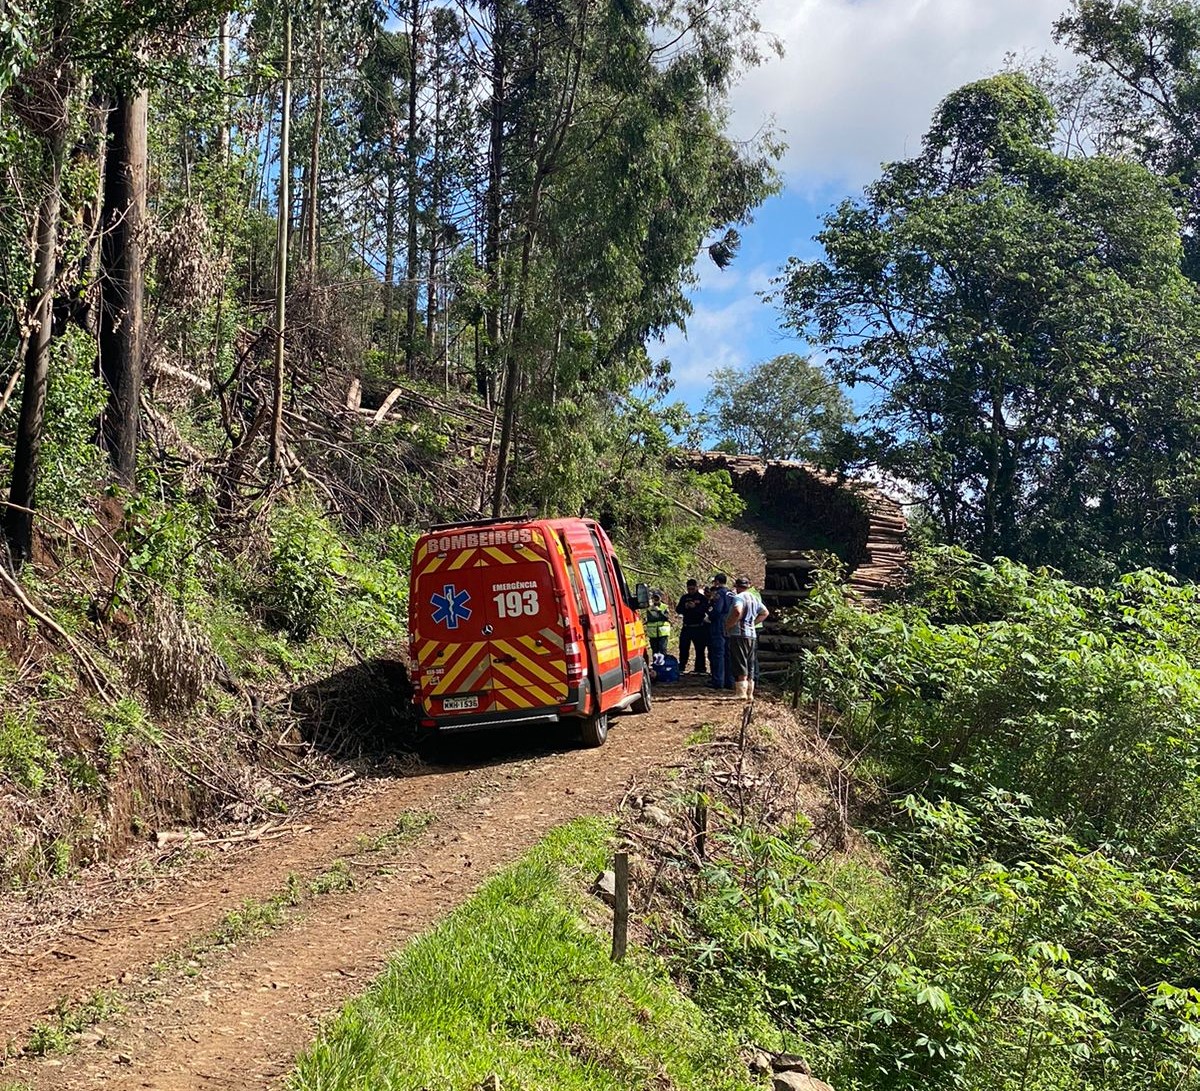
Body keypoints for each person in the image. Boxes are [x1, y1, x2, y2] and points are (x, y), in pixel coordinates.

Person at [725, 575, 769, 701]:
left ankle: (741, 693)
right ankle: (750, 693)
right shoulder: (754, 598)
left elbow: (737, 611)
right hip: (752, 635)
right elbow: (765, 612)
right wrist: (753, 623)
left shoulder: (738, 597)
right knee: (750, 663)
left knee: (739, 661)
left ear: (737, 587)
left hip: (739, 634)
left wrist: (729, 624)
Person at [675, 578, 709, 674]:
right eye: (689, 589)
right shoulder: (684, 598)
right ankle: (682, 666)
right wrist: (685, 607)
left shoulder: (702, 598)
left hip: (698, 627)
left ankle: (700, 668)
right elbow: (678, 609)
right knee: (683, 647)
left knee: (700, 649)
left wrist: (695, 607)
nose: (691, 591)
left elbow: (705, 610)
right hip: (687, 626)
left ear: (696, 587)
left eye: (692, 589)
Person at [707, 573, 734, 690]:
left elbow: (717, 610)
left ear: (717, 582)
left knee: (718, 653)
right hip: (730, 624)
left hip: (719, 625)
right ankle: (730, 680)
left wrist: (709, 617)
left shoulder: (719, 594)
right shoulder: (732, 593)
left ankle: (718, 681)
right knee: (729, 654)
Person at [644, 591, 671, 657]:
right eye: (654, 598)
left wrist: (659, 611)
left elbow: (666, 617)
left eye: (657, 598)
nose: (655, 600)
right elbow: (650, 619)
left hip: (663, 633)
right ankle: (656, 666)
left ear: (660, 598)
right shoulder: (650, 608)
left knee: (662, 649)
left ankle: (664, 664)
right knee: (655, 651)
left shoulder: (664, 607)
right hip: (653, 633)